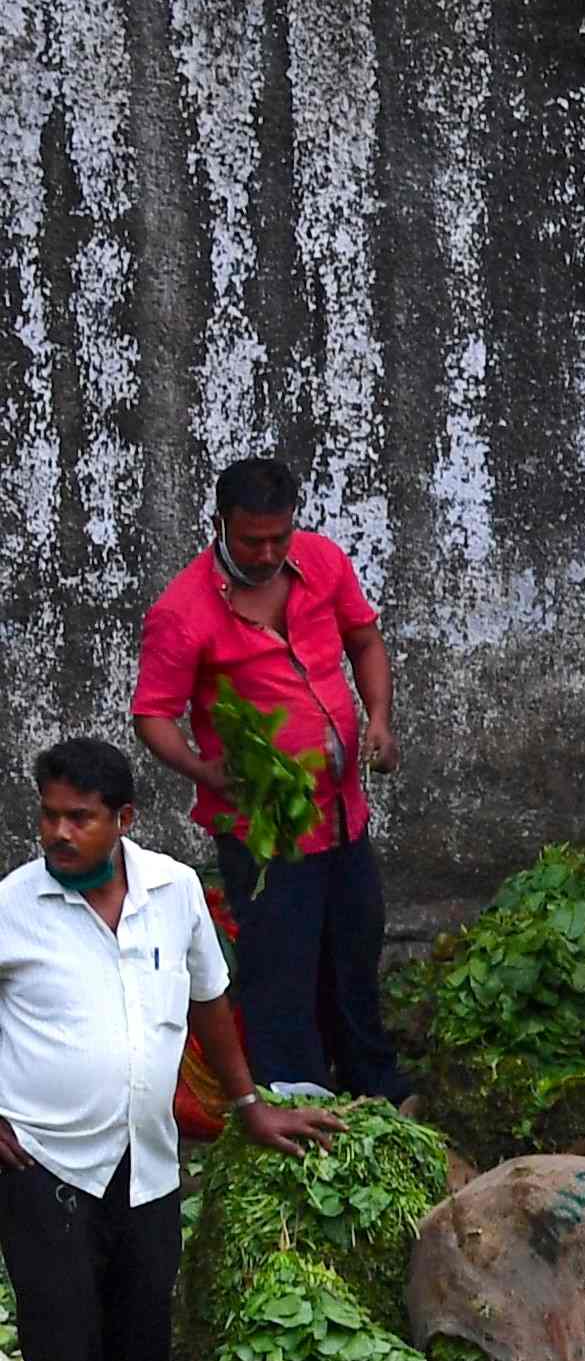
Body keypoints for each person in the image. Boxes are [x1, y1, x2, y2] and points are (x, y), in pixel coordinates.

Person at [0, 737, 332, 1361]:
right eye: (48, 816)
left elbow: (210, 999)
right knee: (62, 1354)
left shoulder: (174, 892)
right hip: (43, 1165)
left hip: (147, 1164)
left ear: (123, 820)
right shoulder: (13, 904)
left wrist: (249, 1105)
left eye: (79, 818)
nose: (59, 833)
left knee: (143, 1345)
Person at [128, 454, 402, 1097]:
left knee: (355, 951)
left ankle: (376, 1087)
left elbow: (364, 640)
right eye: (254, 540)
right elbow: (153, 715)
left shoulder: (322, 562)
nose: (270, 551)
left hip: (343, 813)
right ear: (220, 523)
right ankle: (294, 1103)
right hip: (262, 832)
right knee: (281, 973)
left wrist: (380, 719)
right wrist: (204, 770)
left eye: (280, 536)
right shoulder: (184, 610)